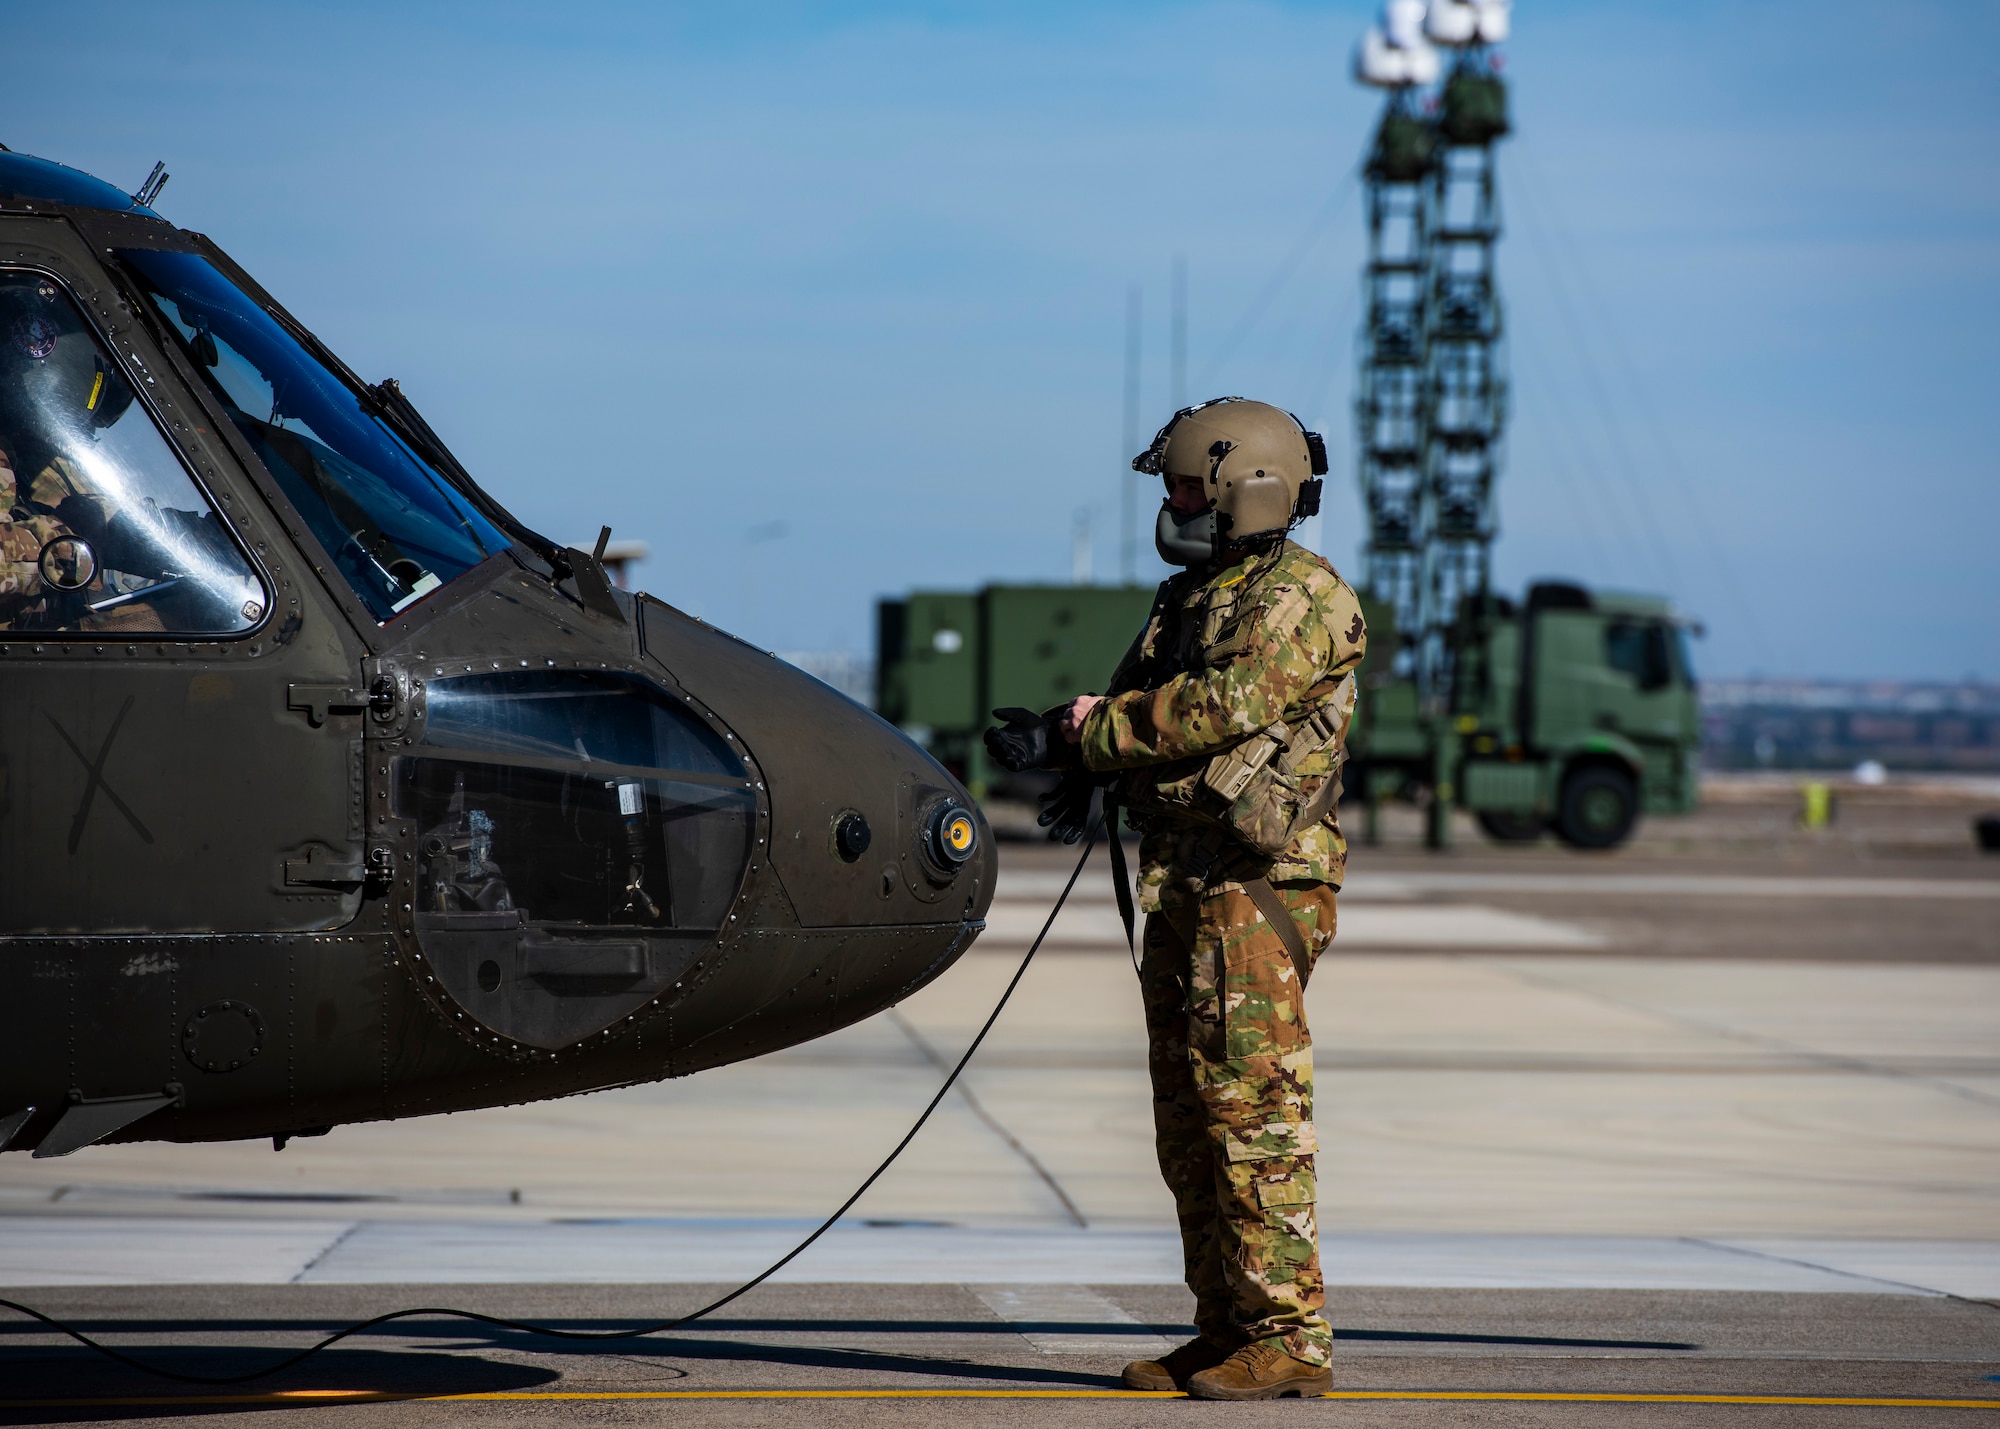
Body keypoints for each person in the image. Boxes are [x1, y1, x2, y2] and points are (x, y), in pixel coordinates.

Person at [987, 397, 1366, 1400]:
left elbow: (1220, 707)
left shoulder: (1298, 597)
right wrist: (1062, 744)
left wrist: (1085, 734)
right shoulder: (1196, 595)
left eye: (1188, 485)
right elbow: (1138, 701)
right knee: (1190, 1114)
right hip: (1193, 877)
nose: (1173, 503)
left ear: (1247, 489)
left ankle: (1289, 1335)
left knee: (1251, 1110)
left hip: (1258, 888)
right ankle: (1226, 1322)